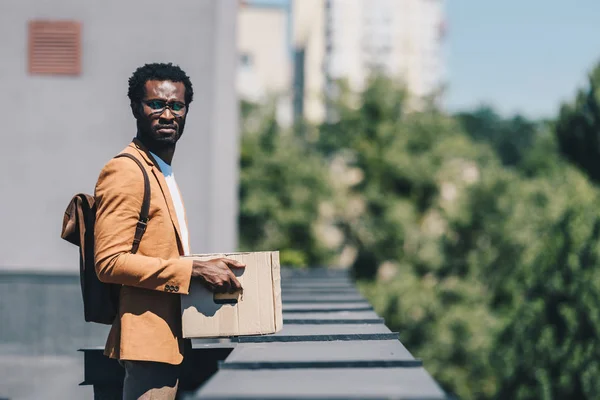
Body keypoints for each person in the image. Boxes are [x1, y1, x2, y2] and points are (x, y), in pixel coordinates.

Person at [93, 62, 245, 400]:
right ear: (136, 107)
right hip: (147, 343)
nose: (167, 114)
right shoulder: (126, 171)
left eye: (176, 105)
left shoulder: (160, 172)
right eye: (156, 104)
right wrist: (192, 269)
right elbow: (109, 262)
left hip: (169, 339)